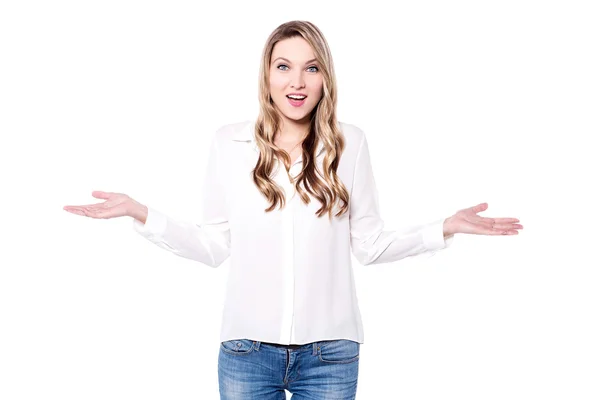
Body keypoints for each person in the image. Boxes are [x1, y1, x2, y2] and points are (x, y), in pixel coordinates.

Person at [63, 20, 523, 400]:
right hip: (246, 351)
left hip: (331, 355)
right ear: (267, 74)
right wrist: (141, 213)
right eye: (284, 67)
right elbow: (212, 245)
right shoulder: (229, 143)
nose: (296, 82)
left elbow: (371, 245)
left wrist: (445, 227)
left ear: (326, 78)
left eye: (311, 68)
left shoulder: (350, 144)